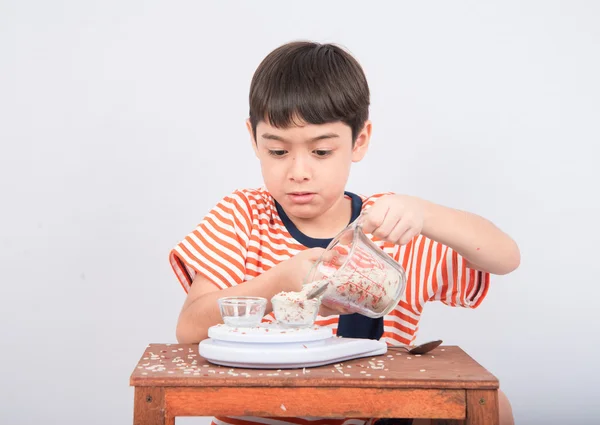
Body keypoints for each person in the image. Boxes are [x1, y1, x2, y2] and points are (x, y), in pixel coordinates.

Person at [169, 40, 520, 425]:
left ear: (359, 141)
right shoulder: (243, 217)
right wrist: (280, 280)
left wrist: (424, 213)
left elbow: (505, 257)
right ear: (254, 139)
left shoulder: (386, 224)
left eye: (321, 152)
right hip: (257, 416)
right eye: (278, 152)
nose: (298, 171)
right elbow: (189, 328)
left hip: (372, 413)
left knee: (490, 405)